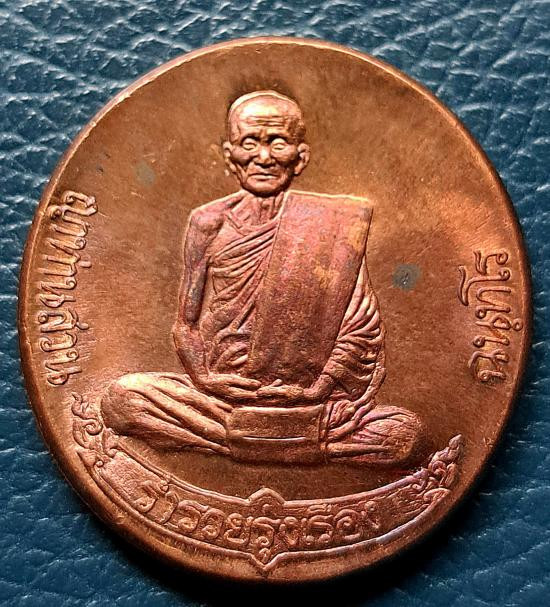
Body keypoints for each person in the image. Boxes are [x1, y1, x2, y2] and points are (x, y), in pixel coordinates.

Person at [101, 91, 425, 466]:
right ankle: (289, 443)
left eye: (278, 142)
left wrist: (317, 389)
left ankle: (245, 440)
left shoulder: (333, 226)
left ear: (300, 158)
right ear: (230, 156)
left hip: (308, 399)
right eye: (250, 143)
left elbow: (360, 327)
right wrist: (205, 380)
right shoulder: (208, 222)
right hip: (221, 399)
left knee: (405, 435)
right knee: (123, 400)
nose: (264, 157)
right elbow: (185, 324)